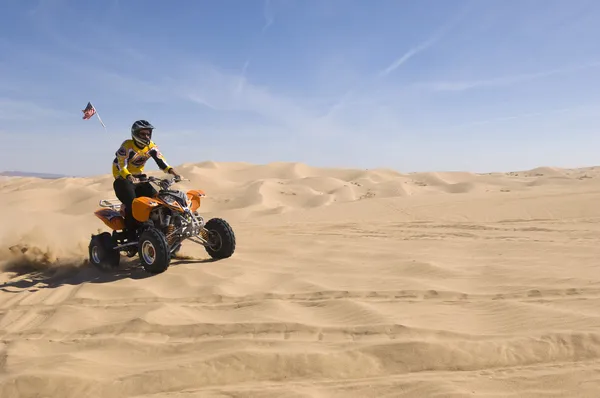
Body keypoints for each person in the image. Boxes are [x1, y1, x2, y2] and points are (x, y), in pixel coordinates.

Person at [112, 119, 181, 240]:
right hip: (122, 179)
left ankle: (161, 231)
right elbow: (120, 165)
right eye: (143, 134)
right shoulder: (127, 146)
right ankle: (131, 234)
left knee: (158, 201)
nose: (146, 136)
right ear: (135, 134)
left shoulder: (151, 146)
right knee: (133, 204)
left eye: (148, 133)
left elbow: (161, 162)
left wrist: (173, 172)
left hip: (140, 179)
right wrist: (129, 176)